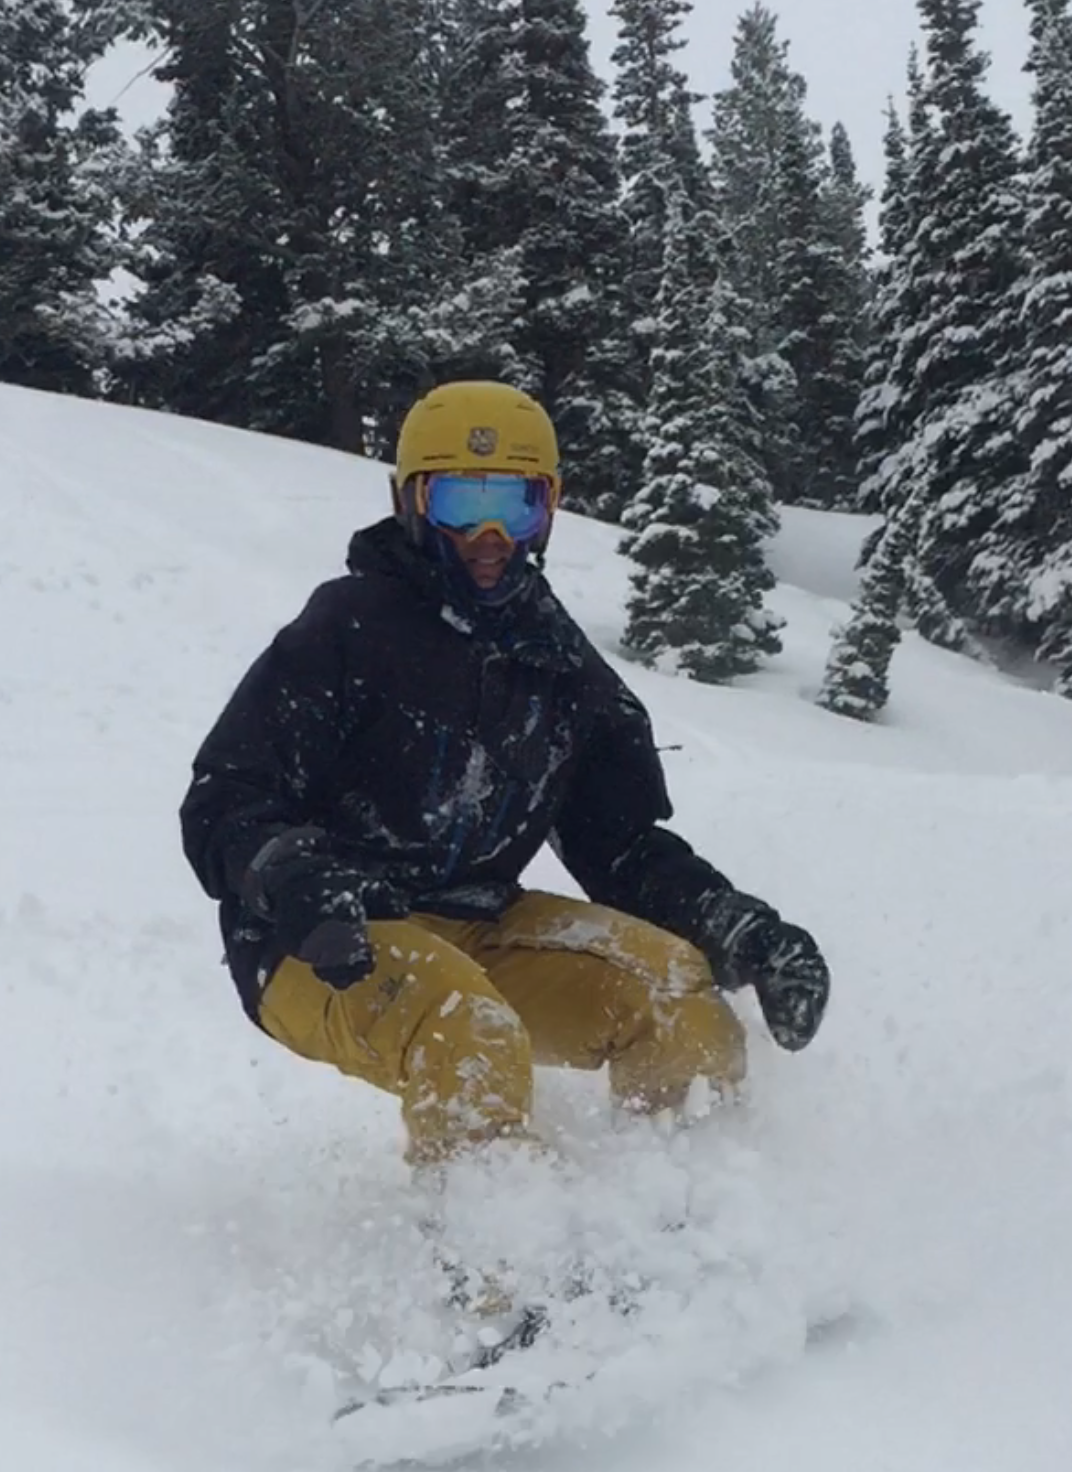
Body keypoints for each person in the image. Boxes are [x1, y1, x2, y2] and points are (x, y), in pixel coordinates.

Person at [180, 381, 830, 1174]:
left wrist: (736, 925)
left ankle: (680, 1218)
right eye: (461, 502)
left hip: (477, 922)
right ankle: (497, 1275)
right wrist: (292, 876)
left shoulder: (556, 662)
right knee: (468, 1025)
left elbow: (619, 845)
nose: (489, 536)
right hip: (315, 939)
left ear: (548, 509)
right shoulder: (348, 628)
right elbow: (225, 798)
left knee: (674, 987)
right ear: (412, 502)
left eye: (517, 506)